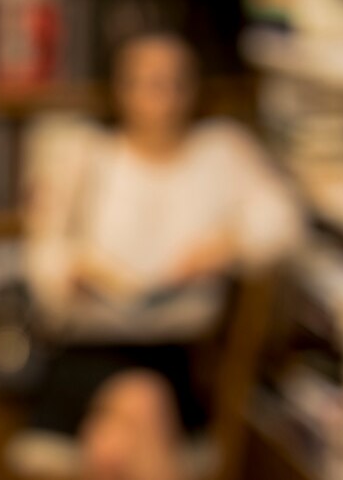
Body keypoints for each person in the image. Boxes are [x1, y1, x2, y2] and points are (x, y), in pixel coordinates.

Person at [17, 30, 303, 480]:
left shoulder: (221, 153)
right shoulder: (86, 156)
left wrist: (227, 245)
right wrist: (73, 273)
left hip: (180, 354)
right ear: (120, 89)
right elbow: (43, 261)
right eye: (146, 83)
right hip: (91, 347)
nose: (161, 100)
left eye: (173, 83)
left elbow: (284, 224)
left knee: (113, 444)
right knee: (137, 410)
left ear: (193, 88)